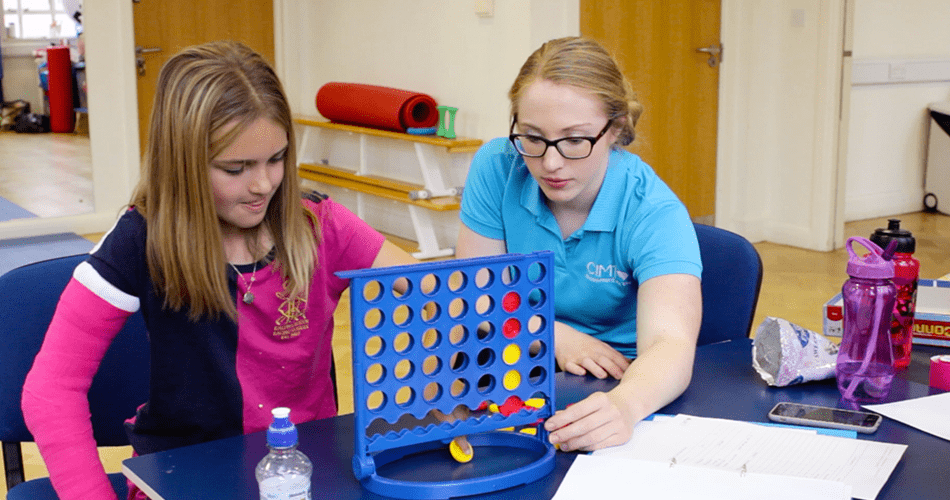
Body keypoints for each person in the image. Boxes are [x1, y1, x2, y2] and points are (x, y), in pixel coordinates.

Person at [21, 40, 421, 500]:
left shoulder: (320, 224)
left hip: (302, 477)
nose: (263, 184)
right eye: (235, 168)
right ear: (183, 163)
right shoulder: (140, 238)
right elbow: (51, 390)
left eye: (277, 159)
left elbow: (435, 294)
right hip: (187, 481)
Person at [456, 36, 703, 452]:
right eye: (532, 137)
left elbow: (670, 344)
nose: (550, 163)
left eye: (575, 140)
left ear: (616, 128)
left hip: (613, 380)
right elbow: (475, 292)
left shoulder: (653, 210)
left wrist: (624, 406)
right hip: (512, 361)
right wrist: (551, 335)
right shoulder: (498, 165)